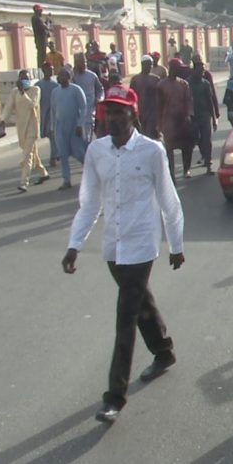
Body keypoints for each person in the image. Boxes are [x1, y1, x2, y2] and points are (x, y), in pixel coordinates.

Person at [61, 84, 185, 424]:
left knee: (125, 314)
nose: (112, 118)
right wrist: (75, 244)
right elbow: (90, 203)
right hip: (114, 245)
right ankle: (164, 351)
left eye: (119, 111)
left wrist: (176, 244)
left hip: (143, 243)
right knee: (140, 301)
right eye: (108, 111)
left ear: (134, 113)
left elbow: (168, 200)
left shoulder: (151, 151)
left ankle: (115, 396)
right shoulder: (96, 152)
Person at [0, 70, 49, 192]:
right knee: (32, 152)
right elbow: (8, 107)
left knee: (27, 155)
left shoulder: (35, 90)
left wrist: (23, 92)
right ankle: (43, 173)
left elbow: (32, 104)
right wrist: (3, 121)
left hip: (32, 126)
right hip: (21, 127)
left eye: (26, 78)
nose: (24, 81)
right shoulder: (14, 92)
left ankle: (24, 182)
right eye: (21, 78)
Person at [157, 58, 195, 182]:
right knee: (169, 148)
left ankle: (186, 169)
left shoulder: (183, 84)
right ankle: (171, 173)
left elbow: (189, 100)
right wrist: (159, 123)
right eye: (178, 68)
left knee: (187, 146)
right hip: (168, 121)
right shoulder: (161, 85)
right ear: (172, 69)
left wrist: (189, 115)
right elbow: (158, 104)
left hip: (182, 120)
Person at [49, 66, 87, 190]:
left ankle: (90, 173)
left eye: (63, 75)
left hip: (74, 126)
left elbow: (83, 108)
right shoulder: (55, 92)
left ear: (69, 77)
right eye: (59, 75)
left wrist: (80, 124)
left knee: (79, 153)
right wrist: (52, 127)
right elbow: (53, 111)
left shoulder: (76, 90)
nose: (60, 77)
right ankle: (66, 180)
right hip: (60, 127)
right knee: (63, 154)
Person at [189, 61, 218, 175]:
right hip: (193, 116)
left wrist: (214, 117)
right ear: (194, 70)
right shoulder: (187, 83)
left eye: (203, 71)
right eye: (200, 71)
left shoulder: (205, 83)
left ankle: (209, 163)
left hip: (205, 115)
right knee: (197, 139)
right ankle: (204, 156)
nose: (202, 73)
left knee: (207, 139)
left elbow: (210, 101)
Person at [72, 52, 104, 143]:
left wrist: (99, 99)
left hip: (90, 109)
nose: (83, 64)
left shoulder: (92, 75)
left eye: (84, 62)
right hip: (77, 111)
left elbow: (100, 89)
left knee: (88, 136)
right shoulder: (73, 77)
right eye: (79, 62)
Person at [129, 55, 161, 140]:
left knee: (151, 135)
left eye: (151, 65)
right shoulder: (135, 79)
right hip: (139, 111)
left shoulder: (156, 79)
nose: (150, 67)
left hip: (152, 112)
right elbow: (131, 96)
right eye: (148, 64)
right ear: (143, 65)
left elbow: (160, 96)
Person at [36, 62, 59, 167]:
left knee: (52, 135)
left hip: (53, 114)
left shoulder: (56, 85)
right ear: (43, 70)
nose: (51, 71)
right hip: (42, 114)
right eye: (49, 69)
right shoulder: (38, 86)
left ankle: (53, 157)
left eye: (52, 69)